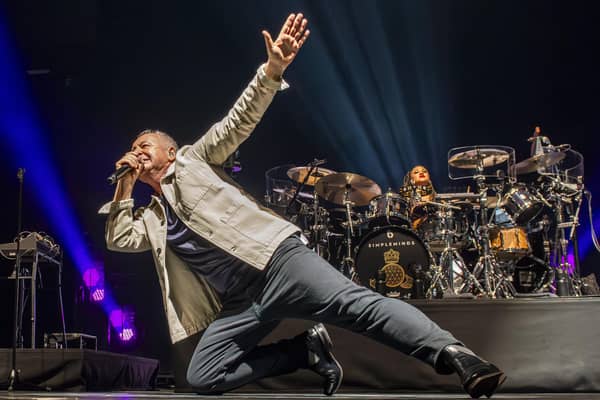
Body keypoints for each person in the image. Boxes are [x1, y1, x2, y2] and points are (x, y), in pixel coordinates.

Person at [100, 13, 505, 398]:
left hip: (278, 260)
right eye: (133, 148)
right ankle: (304, 351)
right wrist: (125, 185)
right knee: (203, 375)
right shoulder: (152, 218)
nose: (136, 152)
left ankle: (456, 355)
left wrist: (271, 72)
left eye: (144, 146)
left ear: (169, 152)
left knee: (358, 307)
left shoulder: (193, 160)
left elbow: (236, 122)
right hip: (244, 299)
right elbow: (119, 238)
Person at [399, 165, 437, 229]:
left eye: (424, 171)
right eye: (416, 172)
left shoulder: (437, 198)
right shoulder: (405, 197)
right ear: (411, 179)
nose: (421, 173)